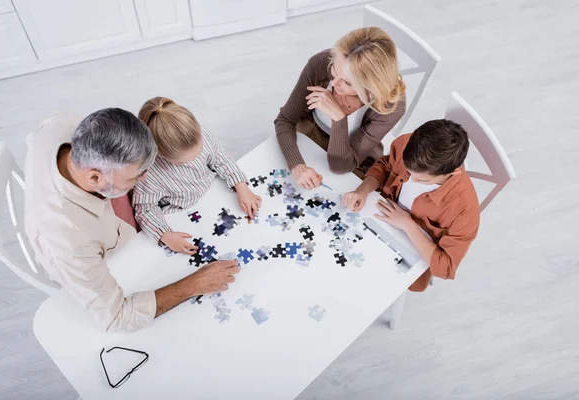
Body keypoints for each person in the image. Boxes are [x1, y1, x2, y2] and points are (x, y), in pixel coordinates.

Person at [25, 109, 240, 332]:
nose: (146, 177)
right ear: (95, 178)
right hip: (111, 263)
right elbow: (116, 317)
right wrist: (194, 284)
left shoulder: (65, 124)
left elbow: (40, 132)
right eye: (136, 175)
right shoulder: (67, 240)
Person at [343, 119, 480, 291]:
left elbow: (445, 267)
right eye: (408, 171)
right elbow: (385, 165)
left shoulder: (464, 211)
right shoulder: (407, 144)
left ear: (452, 173)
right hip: (377, 217)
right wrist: (363, 189)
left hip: (412, 249)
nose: (411, 179)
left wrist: (408, 225)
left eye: (422, 179)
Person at [275, 27, 407, 189]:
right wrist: (297, 166)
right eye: (334, 70)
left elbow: (341, 166)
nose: (335, 84)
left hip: (353, 155)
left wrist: (339, 119)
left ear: (371, 87)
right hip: (309, 134)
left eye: (348, 82)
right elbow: (285, 120)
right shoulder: (320, 63)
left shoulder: (392, 106)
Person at [133, 97, 261, 254]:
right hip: (183, 214)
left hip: (216, 192)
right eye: (182, 162)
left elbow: (219, 156)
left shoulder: (199, 134)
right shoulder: (148, 174)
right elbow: (144, 208)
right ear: (158, 153)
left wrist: (241, 186)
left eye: (199, 150)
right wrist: (164, 234)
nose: (196, 158)